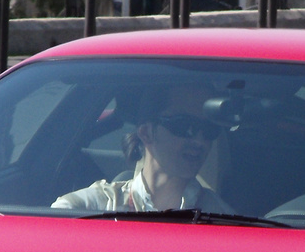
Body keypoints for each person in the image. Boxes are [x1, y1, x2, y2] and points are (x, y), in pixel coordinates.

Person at [54, 83, 233, 213]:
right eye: (185, 126)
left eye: (209, 130)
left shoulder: (224, 220)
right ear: (146, 133)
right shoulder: (96, 207)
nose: (199, 140)